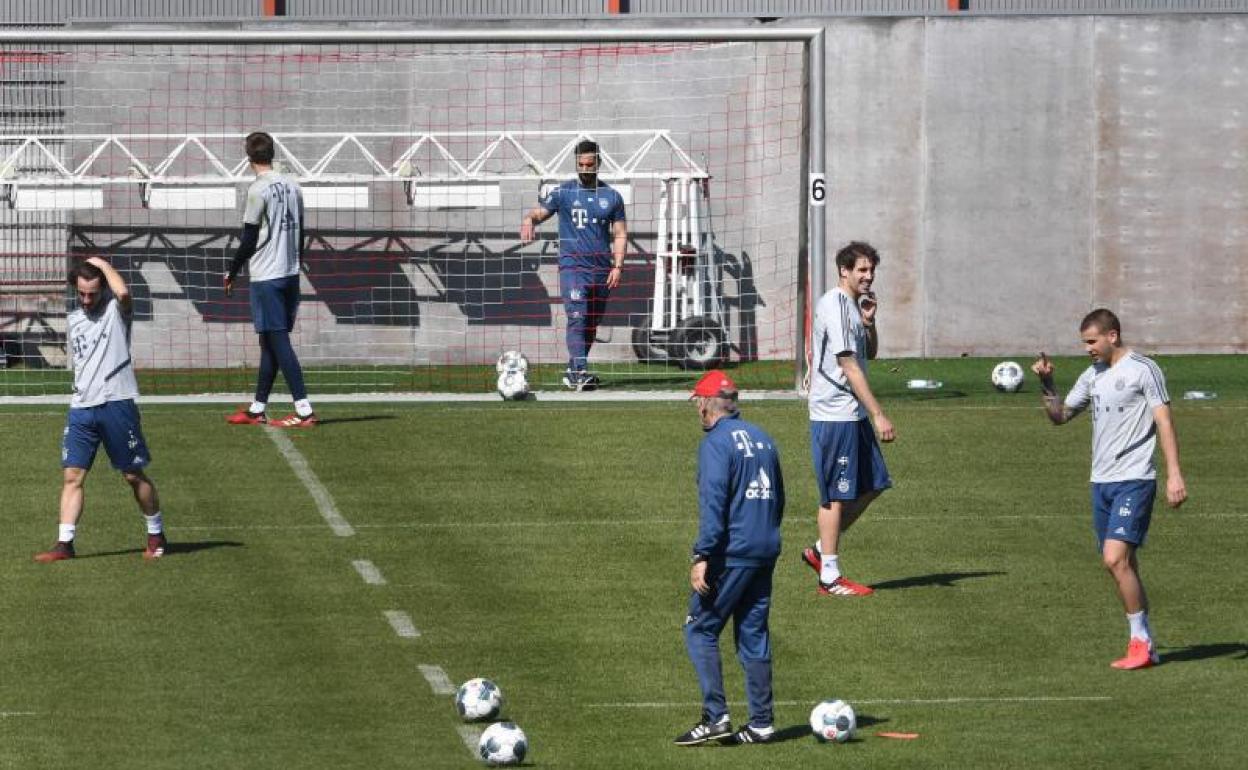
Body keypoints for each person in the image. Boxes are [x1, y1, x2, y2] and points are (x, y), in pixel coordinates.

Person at [1032, 309, 1187, 670]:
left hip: (1135, 479)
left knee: (1114, 558)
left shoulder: (1143, 370)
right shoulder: (1094, 375)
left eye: (1091, 341)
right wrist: (1047, 384)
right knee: (1124, 564)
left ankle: (1140, 643)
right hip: (1100, 481)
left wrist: (1174, 474)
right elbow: (1060, 416)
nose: (1087, 349)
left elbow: (1164, 420)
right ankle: (1145, 643)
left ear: (1112, 336)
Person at [676, 370, 785, 747]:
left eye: (697, 402)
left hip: (732, 552)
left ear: (707, 403)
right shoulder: (764, 438)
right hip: (765, 548)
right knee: (753, 634)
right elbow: (779, 499)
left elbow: (714, 503)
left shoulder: (715, 445)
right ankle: (762, 723)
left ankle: (715, 716)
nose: (696, 409)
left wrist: (702, 553)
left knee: (700, 629)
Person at [35, 257, 167, 562]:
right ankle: (64, 544)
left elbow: (122, 294)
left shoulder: (116, 312)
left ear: (102, 288)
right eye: (81, 293)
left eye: (92, 293)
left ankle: (155, 532)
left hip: (116, 403)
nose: (86, 299)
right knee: (72, 476)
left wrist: (103, 264)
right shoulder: (74, 319)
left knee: (133, 476)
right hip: (81, 407)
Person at [802, 241, 895, 596]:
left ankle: (818, 550)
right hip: (835, 414)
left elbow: (868, 351)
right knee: (835, 496)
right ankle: (829, 575)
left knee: (872, 485)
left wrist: (869, 322)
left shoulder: (853, 308)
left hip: (851, 412)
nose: (868, 277)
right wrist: (879, 414)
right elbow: (848, 364)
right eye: (861, 270)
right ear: (844, 271)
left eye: (871, 270)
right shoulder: (836, 305)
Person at [224, 131, 316, 427]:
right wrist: (296, 263)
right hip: (290, 273)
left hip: (267, 275)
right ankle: (257, 408)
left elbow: (249, 238)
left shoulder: (257, 190)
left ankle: (304, 410)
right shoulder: (293, 185)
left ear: (248, 156)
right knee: (270, 342)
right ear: (272, 153)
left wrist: (233, 270)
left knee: (278, 340)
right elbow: (301, 231)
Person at [519, 139, 627, 391]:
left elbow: (620, 233)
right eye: (581, 164)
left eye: (590, 164)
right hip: (573, 267)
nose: (585, 169)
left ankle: (573, 368)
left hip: (602, 269)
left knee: (591, 321)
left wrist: (618, 266)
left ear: (598, 163)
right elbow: (539, 213)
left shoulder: (612, 196)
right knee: (577, 317)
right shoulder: (563, 193)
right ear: (576, 164)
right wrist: (528, 219)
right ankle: (580, 372)